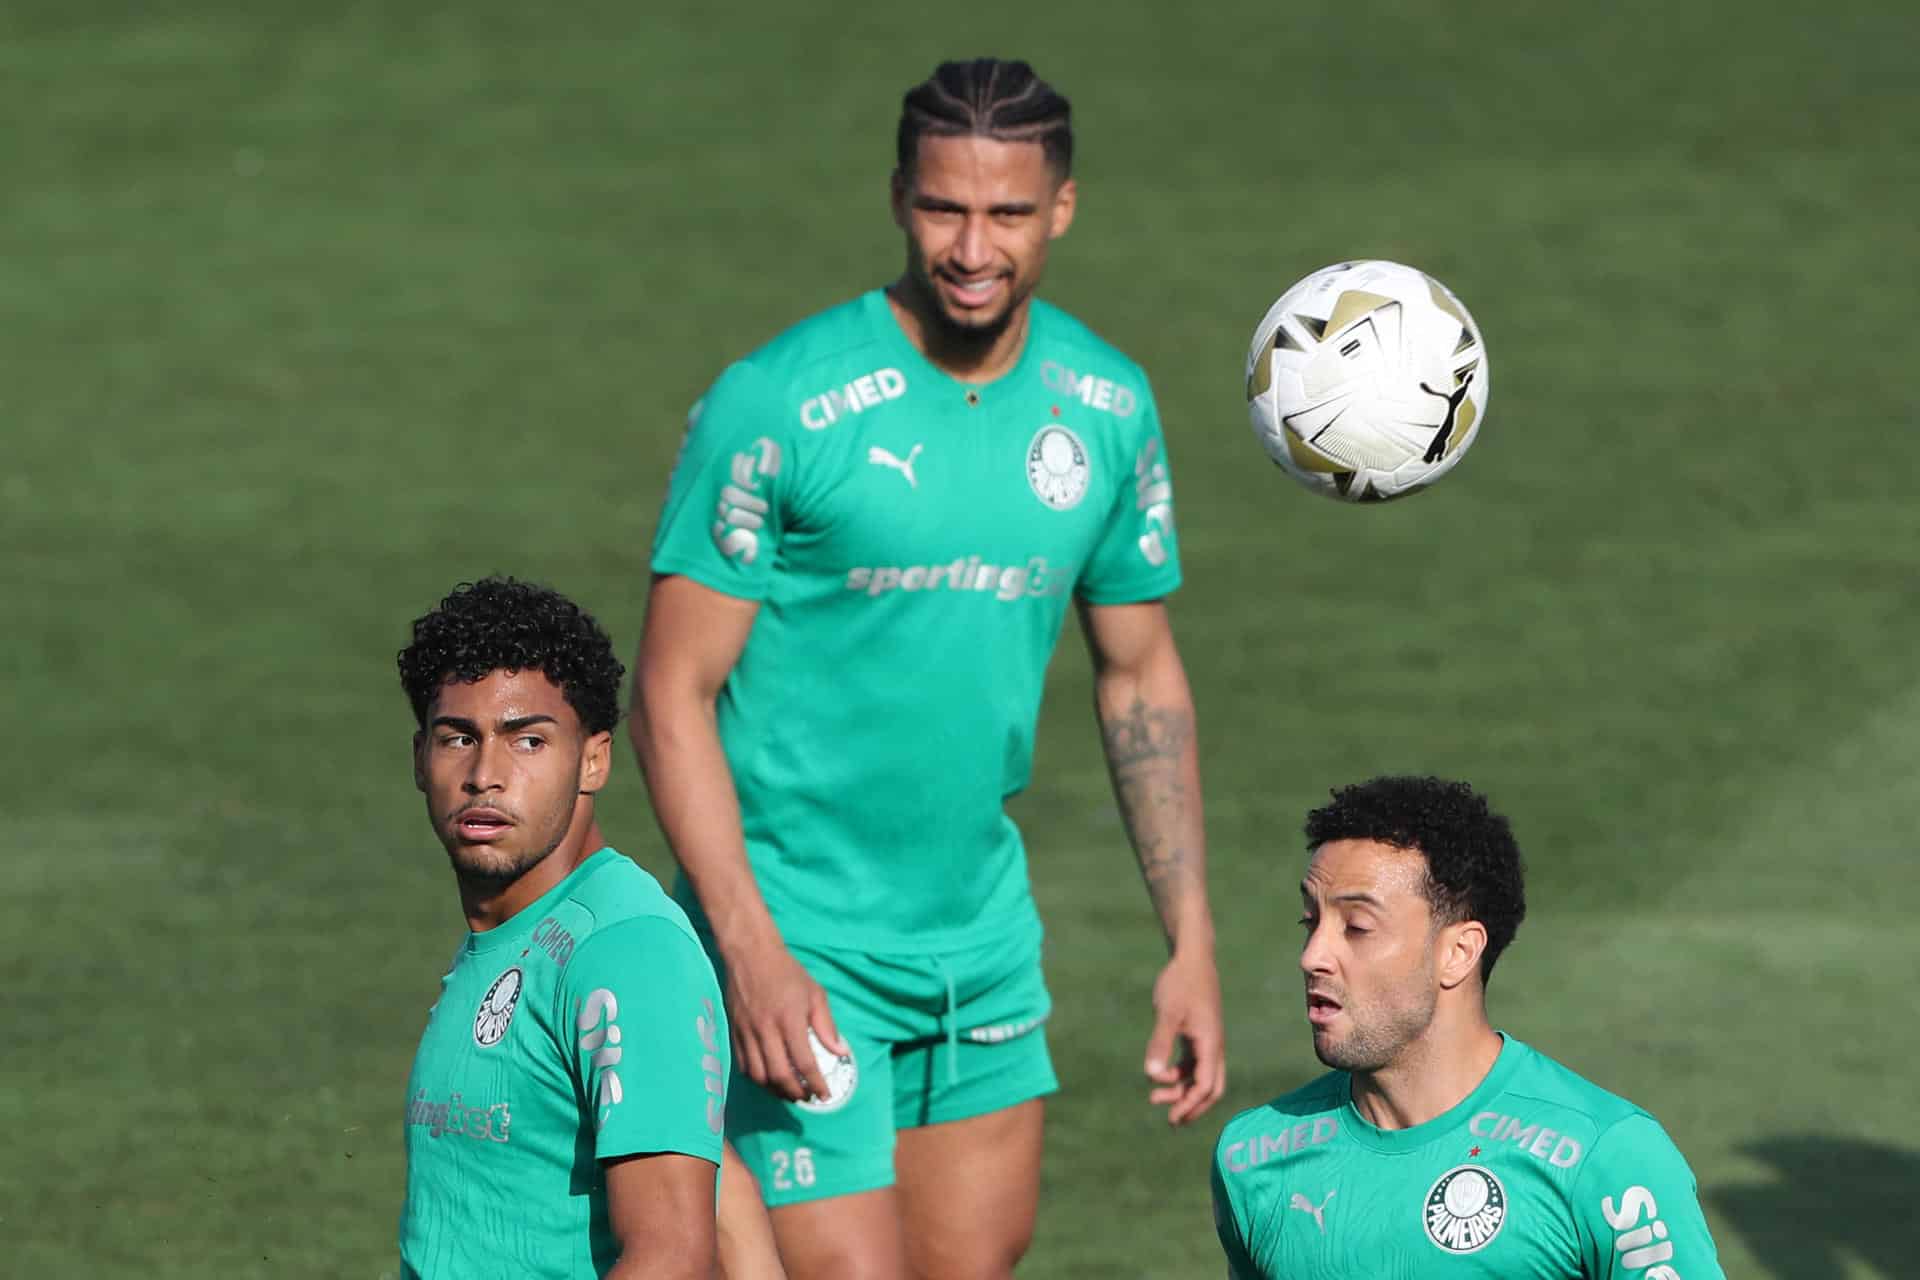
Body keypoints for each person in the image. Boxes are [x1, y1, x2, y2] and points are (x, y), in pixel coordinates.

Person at [635, 56, 1226, 1280]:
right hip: (802, 933)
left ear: (1061, 207)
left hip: (981, 941)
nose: (972, 245)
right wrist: (745, 945)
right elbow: (669, 689)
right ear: (900, 195)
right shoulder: (779, 403)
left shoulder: (1107, 405)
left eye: (1007, 213)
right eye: (944, 208)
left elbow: (1138, 675)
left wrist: (1191, 939)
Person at [394, 577, 785, 1279]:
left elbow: (670, 1257)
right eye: (459, 738)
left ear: (594, 759)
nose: (486, 774)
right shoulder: (515, 933)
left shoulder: (625, 950)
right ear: (420, 759)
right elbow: (711, 1169)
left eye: (528, 742)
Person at [1211, 776, 1724, 1278]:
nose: (1313, 955)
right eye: (1310, 922)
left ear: (1458, 953)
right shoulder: (1256, 1158)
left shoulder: (1605, 1158)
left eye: (1357, 928)